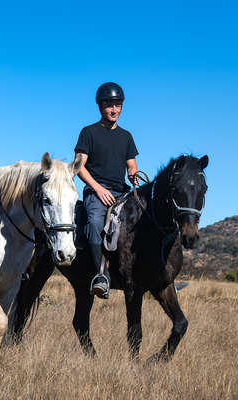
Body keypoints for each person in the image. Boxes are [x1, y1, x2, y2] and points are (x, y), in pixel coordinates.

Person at [74, 82, 139, 299]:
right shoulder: (88, 132)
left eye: (118, 105)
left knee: (148, 220)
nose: (114, 110)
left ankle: (153, 273)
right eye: (110, 105)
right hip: (96, 192)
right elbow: (79, 166)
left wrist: (134, 176)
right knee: (93, 223)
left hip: (122, 193)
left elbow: (131, 166)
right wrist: (98, 188)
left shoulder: (126, 136)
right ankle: (100, 275)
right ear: (101, 106)